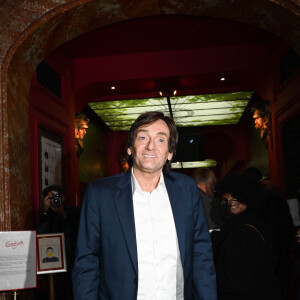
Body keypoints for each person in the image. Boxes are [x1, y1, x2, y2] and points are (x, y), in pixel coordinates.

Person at [72, 111, 217, 300]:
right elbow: (86, 263)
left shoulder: (186, 189)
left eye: (160, 140)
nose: (151, 146)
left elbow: (201, 255)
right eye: (143, 137)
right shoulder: (100, 194)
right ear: (130, 147)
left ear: (170, 152)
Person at [212, 172, 282, 300]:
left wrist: (209, 276)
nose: (222, 205)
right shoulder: (261, 225)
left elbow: (236, 281)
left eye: (226, 201)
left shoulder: (240, 234)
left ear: (243, 203)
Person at [37, 185, 80, 300]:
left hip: (75, 260)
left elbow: (79, 230)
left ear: (63, 198)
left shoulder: (74, 211)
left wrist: (63, 213)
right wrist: (45, 211)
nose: (54, 201)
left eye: (56, 197)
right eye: (50, 199)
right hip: (56, 262)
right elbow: (41, 235)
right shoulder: (46, 216)